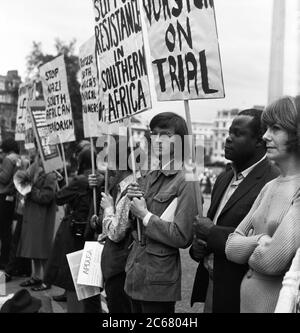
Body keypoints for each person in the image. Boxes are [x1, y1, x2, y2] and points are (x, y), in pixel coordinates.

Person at [190, 109, 279, 313]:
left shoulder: (272, 181)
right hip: (212, 284)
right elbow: (211, 226)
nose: (228, 139)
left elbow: (261, 241)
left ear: (259, 141)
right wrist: (199, 246)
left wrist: (211, 234)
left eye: (238, 134)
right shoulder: (223, 178)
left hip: (241, 291)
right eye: (229, 132)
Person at [225, 96, 300, 313]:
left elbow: (272, 261)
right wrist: (261, 240)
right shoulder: (269, 186)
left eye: (276, 128)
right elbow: (230, 246)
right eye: (266, 128)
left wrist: (247, 244)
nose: (265, 136)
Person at [125, 112, 201, 313]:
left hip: (158, 278)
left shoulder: (186, 178)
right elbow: (135, 223)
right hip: (135, 271)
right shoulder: (150, 174)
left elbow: (182, 236)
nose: (158, 140)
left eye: (166, 134)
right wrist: (133, 206)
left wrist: (145, 216)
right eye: (154, 134)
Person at [43, 148, 99, 312]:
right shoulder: (99, 178)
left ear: (81, 161)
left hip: (75, 231)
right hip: (91, 229)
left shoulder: (81, 179)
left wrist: (62, 184)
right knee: (88, 278)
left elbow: (59, 197)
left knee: (72, 276)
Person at [17, 154, 57, 290]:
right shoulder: (34, 171)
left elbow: (46, 197)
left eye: (40, 156)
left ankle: (46, 280)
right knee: (34, 248)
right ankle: (36, 276)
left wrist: (31, 189)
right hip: (32, 215)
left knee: (43, 250)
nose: (38, 159)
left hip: (42, 217)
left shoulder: (50, 176)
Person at [0, 139, 20, 269]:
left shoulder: (8, 159)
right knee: (7, 229)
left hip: (4, 196)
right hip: (12, 196)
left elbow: (4, 177)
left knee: (4, 230)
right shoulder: (18, 158)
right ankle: (8, 259)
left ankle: (4, 260)